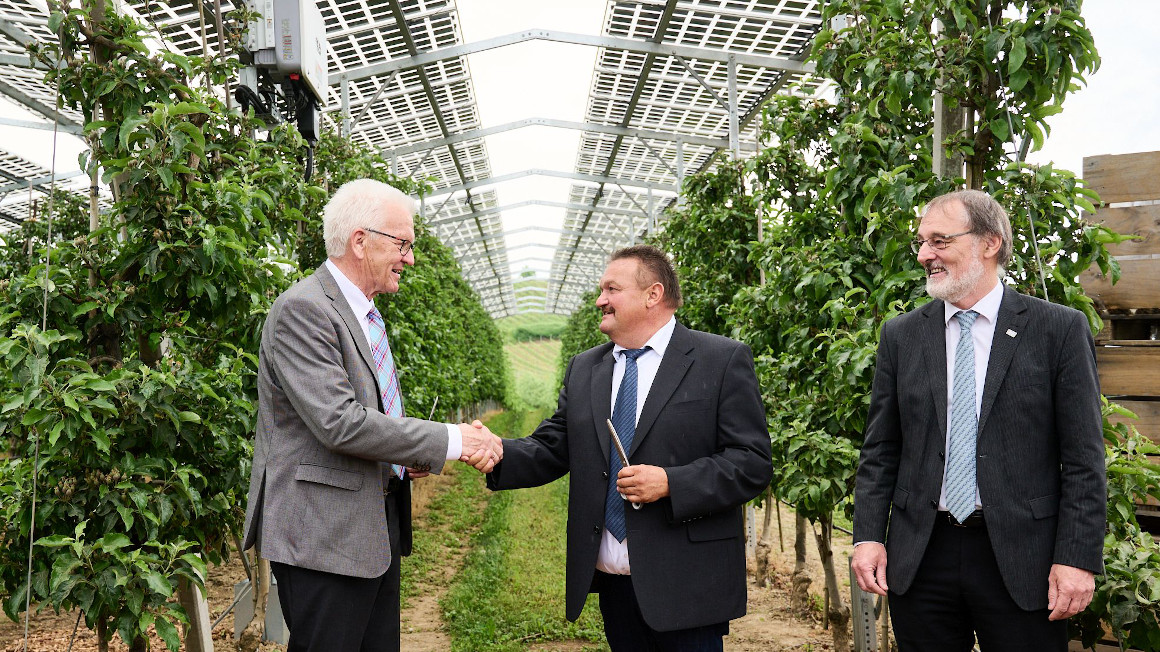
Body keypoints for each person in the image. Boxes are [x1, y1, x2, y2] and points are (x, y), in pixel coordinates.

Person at [241, 178, 503, 652]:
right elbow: (339, 421)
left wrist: (402, 460)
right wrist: (455, 440)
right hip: (322, 537)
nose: (411, 257)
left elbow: (371, 413)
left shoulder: (362, 314)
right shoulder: (305, 310)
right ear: (360, 241)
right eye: (403, 244)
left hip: (371, 530)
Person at [851, 190, 1106, 650]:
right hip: (922, 553)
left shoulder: (1058, 330)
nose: (926, 254)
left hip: (1023, 556)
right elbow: (881, 448)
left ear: (990, 243)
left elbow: (1084, 458)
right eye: (922, 243)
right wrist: (867, 536)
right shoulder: (902, 335)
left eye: (940, 241)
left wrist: (1076, 558)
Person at [486, 245, 772, 651]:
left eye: (611, 289)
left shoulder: (720, 360)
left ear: (652, 295)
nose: (600, 300)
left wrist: (671, 482)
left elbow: (752, 462)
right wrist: (494, 451)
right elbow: (554, 446)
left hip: (687, 582)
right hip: (615, 585)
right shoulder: (586, 367)